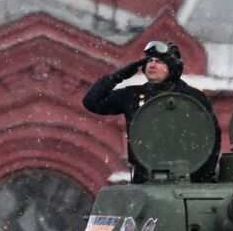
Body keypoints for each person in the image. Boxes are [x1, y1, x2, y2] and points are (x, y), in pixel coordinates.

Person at [82, 40, 220, 182]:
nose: (152, 65)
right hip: (144, 178)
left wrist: (203, 176)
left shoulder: (193, 98)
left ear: (172, 67)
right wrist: (119, 75)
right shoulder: (133, 96)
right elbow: (92, 102)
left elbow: (211, 136)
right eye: (149, 61)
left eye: (159, 62)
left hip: (188, 178)